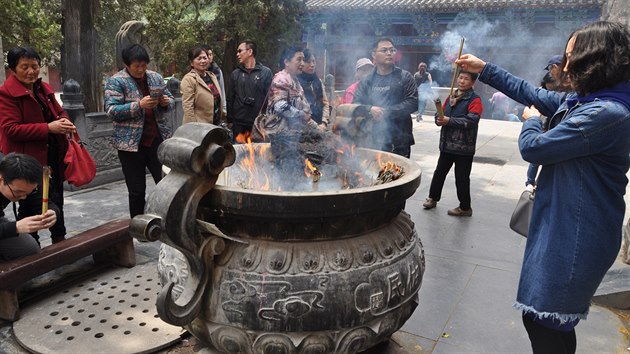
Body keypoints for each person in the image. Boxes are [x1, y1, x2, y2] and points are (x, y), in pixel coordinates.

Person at [456, 21, 630, 353]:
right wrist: (484, 70)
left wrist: (531, 120)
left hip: (579, 233)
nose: (565, 67)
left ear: (599, 60)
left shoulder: (607, 112)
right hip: (565, 225)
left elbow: (535, 147)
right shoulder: (588, 101)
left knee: (546, 322)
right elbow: (533, 92)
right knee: (546, 319)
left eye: (572, 57)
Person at [0, 46, 75, 244]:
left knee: (55, 197)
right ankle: (30, 245)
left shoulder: (43, 89)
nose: (31, 71)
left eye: (34, 66)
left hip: (52, 154)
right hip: (26, 159)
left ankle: (60, 239)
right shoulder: (6, 94)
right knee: (29, 201)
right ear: (13, 69)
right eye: (24, 67)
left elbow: (59, 112)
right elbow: (10, 129)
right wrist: (48, 128)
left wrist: (64, 120)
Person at [104, 44, 174, 218]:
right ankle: (139, 226)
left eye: (144, 65)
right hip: (130, 145)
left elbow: (171, 100)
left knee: (166, 184)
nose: (141, 69)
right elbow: (111, 111)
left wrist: (166, 102)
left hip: (157, 140)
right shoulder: (116, 81)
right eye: (137, 66)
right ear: (127, 65)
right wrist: (138, 105)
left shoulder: (155, 77)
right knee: (136, 190)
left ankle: (168, 220)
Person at [422, 71, 483, 216]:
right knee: (439, 173)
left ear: (472, 82)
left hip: (464, 148)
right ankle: (433, 198)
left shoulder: (475, 100)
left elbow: (472, 121)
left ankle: (465, 208)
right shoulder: (451, 96)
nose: (461, 81)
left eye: (466, 79)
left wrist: (449, 120)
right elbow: (440, 113)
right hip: (446, 145)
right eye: (460, 78)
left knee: (461, 178)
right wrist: (439, 119)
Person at [353, 38, 418, 158]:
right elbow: (355, 104)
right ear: (374, 54)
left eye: (392, 50)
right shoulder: (366, 81)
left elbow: (413, 102)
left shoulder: (405, 77)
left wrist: (386, 112)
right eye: (384, 50)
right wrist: (370, 109)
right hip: (373, 138)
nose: (389, 53)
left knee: (398, 174)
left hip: (400, 139)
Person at [0, 153, 58, 261]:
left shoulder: (28, 178)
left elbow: (43, 202)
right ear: (1, 180)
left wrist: (53, 212)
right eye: (18, 192)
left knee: (28, 249)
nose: (23, 197)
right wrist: (15, 227)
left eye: (29, 192)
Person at [227, 40, 273, 140]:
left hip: (258, 123)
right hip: (239, 122)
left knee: (257, 152)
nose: (237, 54)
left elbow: (270, 98)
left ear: (250, 52)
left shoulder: (265, 72)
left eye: (240, 51)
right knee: (240, 152)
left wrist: (267, 119)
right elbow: (230, 98)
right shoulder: (236, 74)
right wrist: (230, 120)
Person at [267, 46, 318, 131]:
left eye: (303, 60)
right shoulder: (281, 79)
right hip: (278, 133)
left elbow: (306, 114)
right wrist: (301, 114)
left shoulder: (296, 82)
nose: (302, 63)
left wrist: (317, 127)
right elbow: (280, 106)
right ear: (287, 62)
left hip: (292, 135)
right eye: (299, 59)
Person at [180, 46, 223, 125]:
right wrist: (194, 128)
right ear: (191, 63)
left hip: (215, 125)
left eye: (204, 58)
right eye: (199, 58)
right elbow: (188, 109)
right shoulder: (189, 80)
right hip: (200, 128)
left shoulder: (212, 76)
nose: (203, 61)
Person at [297, 49, 330, 129]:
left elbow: (325, 103)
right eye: (308, 62)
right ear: (302, 63)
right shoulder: (296, 82)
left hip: (320, 125)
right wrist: (315, 126)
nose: (312, 65)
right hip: (302, 127)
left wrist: (324, 122)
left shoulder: (318, 81)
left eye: (313, 62)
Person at [205, 46, 227, 116]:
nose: (209, 57)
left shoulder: (217, 71)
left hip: (216, 107)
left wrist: (224, 108)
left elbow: (221, 89)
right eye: (207, 55)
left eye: (211, 54)